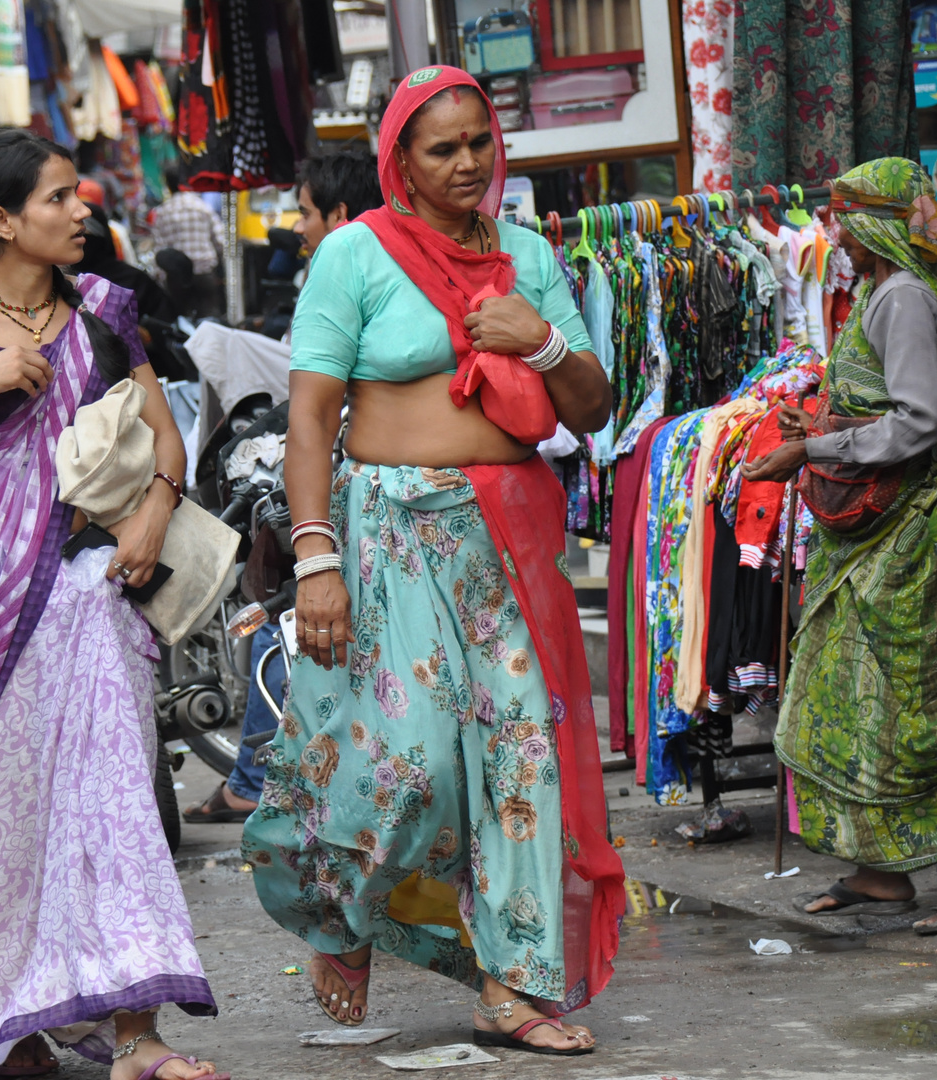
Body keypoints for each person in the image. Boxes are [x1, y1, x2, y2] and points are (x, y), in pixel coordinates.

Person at [239, 67, 623, 1053]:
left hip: (507, 539)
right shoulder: (355, 257)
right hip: (387, 531)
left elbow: (591, 408)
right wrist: (314, 554)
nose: (465, 163)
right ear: (400, 160)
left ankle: (510, 984)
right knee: (403, 767)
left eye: (479, 144)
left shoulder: (529, 257)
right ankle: (336, 913)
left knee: (519, 756)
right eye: (441, 148)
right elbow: (312, 415)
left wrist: (538, 343)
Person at [0, 130, 224, 1080]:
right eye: (61, 198)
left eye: (80, 196)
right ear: (1, 221)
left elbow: (166, 442)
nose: (83, 212)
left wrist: (154, 511)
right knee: (5, 817)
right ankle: (14, 1020)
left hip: (96, 594)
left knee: (114, 804)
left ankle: (137, 1038)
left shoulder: (108, 308)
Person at [741, 158, 937, 933]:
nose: (833, 237)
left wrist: (807, 452)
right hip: (885, 526)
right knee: (861, 691)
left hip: (916, 534)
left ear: (869, 222)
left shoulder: (901, 297)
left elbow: (922, 422)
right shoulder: (888, 290)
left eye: (841, 220)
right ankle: (882, 870)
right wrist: (831, 428)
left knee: (925, 696)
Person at [184, 148, 383, 827]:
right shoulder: (366, 276)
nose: (297, 226)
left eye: (304, 212)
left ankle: (253, 776)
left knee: (287, 614)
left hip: (351, 493)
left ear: (341, 215)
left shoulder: (345, 282)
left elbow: (317, 416)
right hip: (356, 489)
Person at [150, 160, 225, 276]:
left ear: (168, 185)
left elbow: (159, 250)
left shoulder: (162, 213)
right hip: (205, 273)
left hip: (176, 279)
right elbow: (220, 241)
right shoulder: (202, 206)